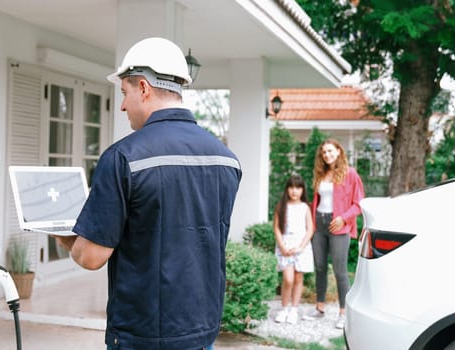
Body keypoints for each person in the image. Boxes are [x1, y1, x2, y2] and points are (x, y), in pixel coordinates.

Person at [54, 37, 242, 350]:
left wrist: (66, 239)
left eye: (125, 93)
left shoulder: (123, 157)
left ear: (143, 87)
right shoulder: (225, 158)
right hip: (202, 331)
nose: (123, 105)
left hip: (142, 336)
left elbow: (91, 257)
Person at [305, 139, 364, 330]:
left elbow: (359, 204)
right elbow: (317, 201)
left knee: (340, 272)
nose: (327, 155)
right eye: (324, 152)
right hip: (320, 225)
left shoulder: (350, 174)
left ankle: (343, 313)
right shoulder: (322, 174)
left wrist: (343, 219)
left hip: (339, 226)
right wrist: (312, 225)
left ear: (339, 151)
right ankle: (320, 308)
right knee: (320, 267)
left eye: (330, 151)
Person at [272, 174, 314, 324]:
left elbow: (310, 229)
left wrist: (301, 246)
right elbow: (276, 227)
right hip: (285, 245)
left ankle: (294, 310)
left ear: (302, 190)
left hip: (301, 247)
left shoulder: (305, 208)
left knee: (298, 278)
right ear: (287, 189)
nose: (294, 191)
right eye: (291, 187)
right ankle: (284, 308)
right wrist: (282, 246)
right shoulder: (281, 206)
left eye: (298, 187)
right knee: (288, 279)